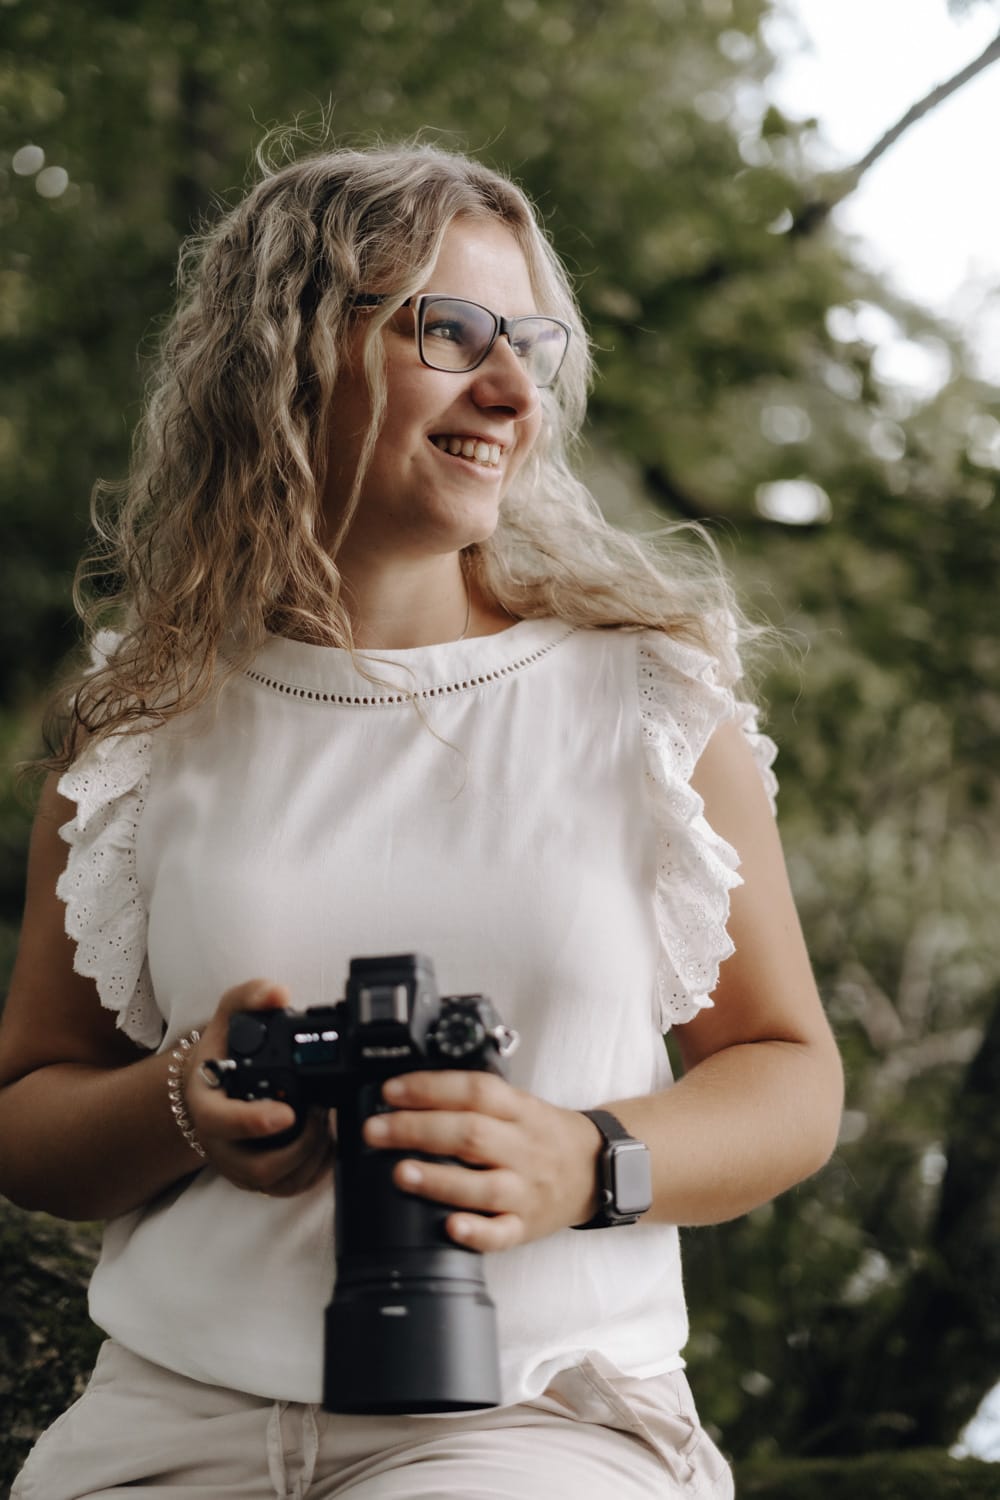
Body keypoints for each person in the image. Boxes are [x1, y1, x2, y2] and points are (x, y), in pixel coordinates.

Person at [0, 140, 843, 1500]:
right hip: (170, 1422)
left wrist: (588, 1160)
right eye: (451, 333)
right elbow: (28, 1115)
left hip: (531, 1421)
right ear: (290, 355)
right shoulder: (141, 720)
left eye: (532, 345)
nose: (512, 391)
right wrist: (184, 1101)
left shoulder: (644, 696)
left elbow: (790, 1072)